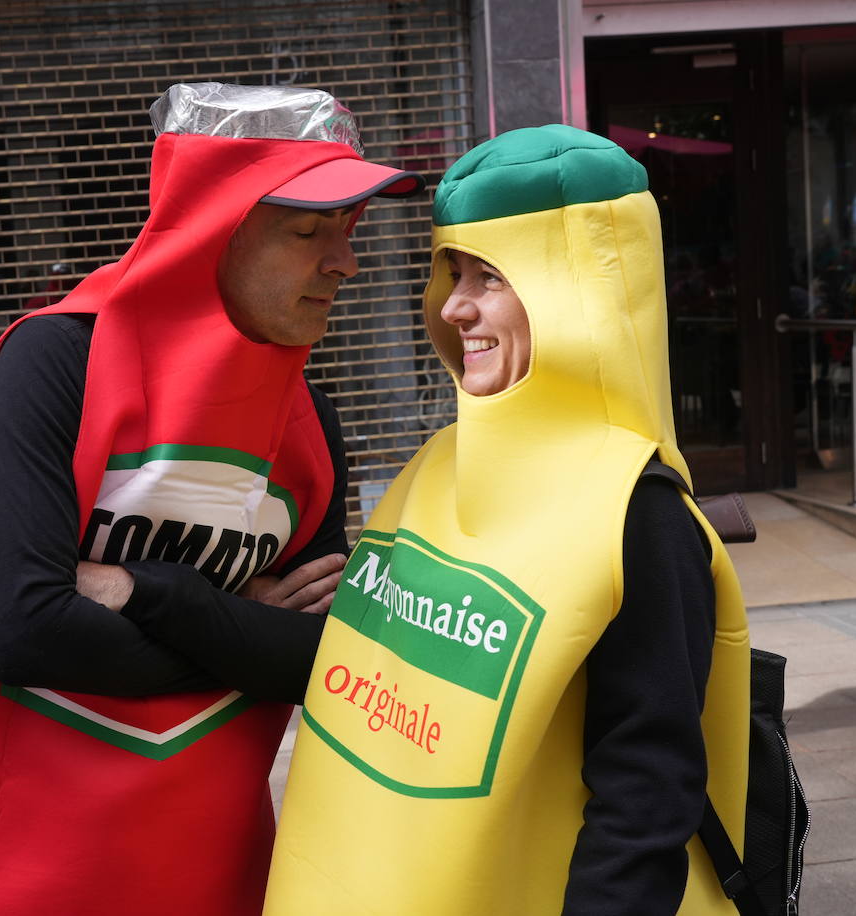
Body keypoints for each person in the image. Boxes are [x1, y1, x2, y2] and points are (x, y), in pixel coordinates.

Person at [0, 82, 423, 915]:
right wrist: (243, 622)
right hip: (4, 856)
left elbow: (320, 662)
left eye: (348, 234)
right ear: (214, 228)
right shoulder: (54, 360)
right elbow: (28, 632)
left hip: (205, 860)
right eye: (310, 231)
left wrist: (146, 592)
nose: (345, 262)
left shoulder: (308, 414)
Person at [263, 125, 752, 914]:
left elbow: (646, 798)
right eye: (452, 272)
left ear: (577, 285)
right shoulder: (433, 466)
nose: (453, 306)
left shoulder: (639, 512)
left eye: (488, 275)